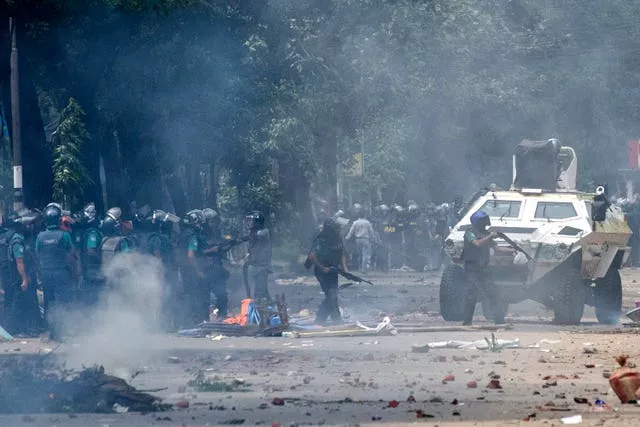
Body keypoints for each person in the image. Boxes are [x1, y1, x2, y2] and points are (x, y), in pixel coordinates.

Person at [35, 203, 77, 340]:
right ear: (59, 220)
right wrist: (75, 272)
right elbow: (71, 255)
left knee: (49, 302)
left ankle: (52, 331)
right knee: (63, 301)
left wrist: (40, 273)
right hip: (61, 273)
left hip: (46, 274)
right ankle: (63, 331)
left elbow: (38, 255)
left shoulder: (40, 236)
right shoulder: (64, 236)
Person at [461, 210, 505, 326]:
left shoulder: (485, 234)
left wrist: (514, 250)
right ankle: (467, 322)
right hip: (471, 269)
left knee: (494, 293)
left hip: (483, 269)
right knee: (471, 295)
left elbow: (497, 249)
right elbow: (477, 243)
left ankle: (499, 320)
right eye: (482, 222)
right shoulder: (469, 233)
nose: (484, 225)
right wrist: (491, 236)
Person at [5, 211, 43, 336]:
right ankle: (13, 330)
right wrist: (25, 279)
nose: (26, 226)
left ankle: (28, 328)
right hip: (19, 277)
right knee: (19, 303)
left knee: (26, 302)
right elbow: (19, 262)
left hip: (22, 276)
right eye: (23, 224)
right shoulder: (17, 241)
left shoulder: (19, 238)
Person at [307, 218, 348, 324]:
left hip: (334, 270)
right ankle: (325, 319)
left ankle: (331, 318)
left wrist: (345, 268)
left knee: (332, 294)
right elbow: (312, 256)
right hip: (322, 272)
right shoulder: (321, 239)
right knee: (331, 294)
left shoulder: (337, 237)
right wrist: (322, 268)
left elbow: (341, 252)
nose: (338, 230)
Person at [184, 209, 210, 324]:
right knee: (199, 295)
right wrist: (198, 271)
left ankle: (191, 320)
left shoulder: (184, 234)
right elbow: (191, 255)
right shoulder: (193, 236)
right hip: (192, 271)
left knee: (190, 295)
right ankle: (200, 321)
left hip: (185, 270)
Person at [245, 211, 272, 300]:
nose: (248, 223)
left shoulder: (263, 232)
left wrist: (241, 239)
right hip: (253, 265)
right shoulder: (253, 232)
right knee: (252, 291)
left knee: (259, 292)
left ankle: (263, 310)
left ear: (257, 222)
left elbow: (256, 236)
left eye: (250, 220)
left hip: (262, 266)